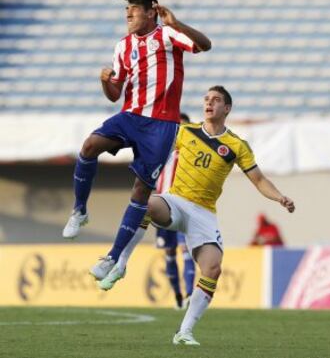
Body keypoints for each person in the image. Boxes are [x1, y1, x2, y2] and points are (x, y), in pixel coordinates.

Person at [98, 85, 295, 345]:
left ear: (227, 108)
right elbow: (153, 143)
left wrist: (280, 197)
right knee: (143, 204)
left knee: (212, 268)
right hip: (175, 201)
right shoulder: (185, 132)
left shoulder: (236, 145)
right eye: (206, 99)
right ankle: (121, 263)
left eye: (216, 100)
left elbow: (258, 180)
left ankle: (184, 332)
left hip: (204, 214)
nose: (209, 103)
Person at [62, 0, 211, 283]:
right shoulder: (123, 46)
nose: (128, 15)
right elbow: (115, 93)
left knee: (140, 193)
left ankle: (113, 258)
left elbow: (205, 45)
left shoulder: (168, 35)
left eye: (133, 10)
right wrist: (106, 82)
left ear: (151, 12)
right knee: (90, 146)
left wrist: (177, 22)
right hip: (130, 116)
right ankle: (79, 210)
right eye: (126, 10)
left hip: (161, 126)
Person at [155, 113, 195, 309]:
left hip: (183, 207)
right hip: (162, 208)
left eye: (184, 128)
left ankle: (189, 295)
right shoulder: (161, 153)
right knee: (169, 252)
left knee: (186, 250)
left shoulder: (191, 155)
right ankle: (178, 296)